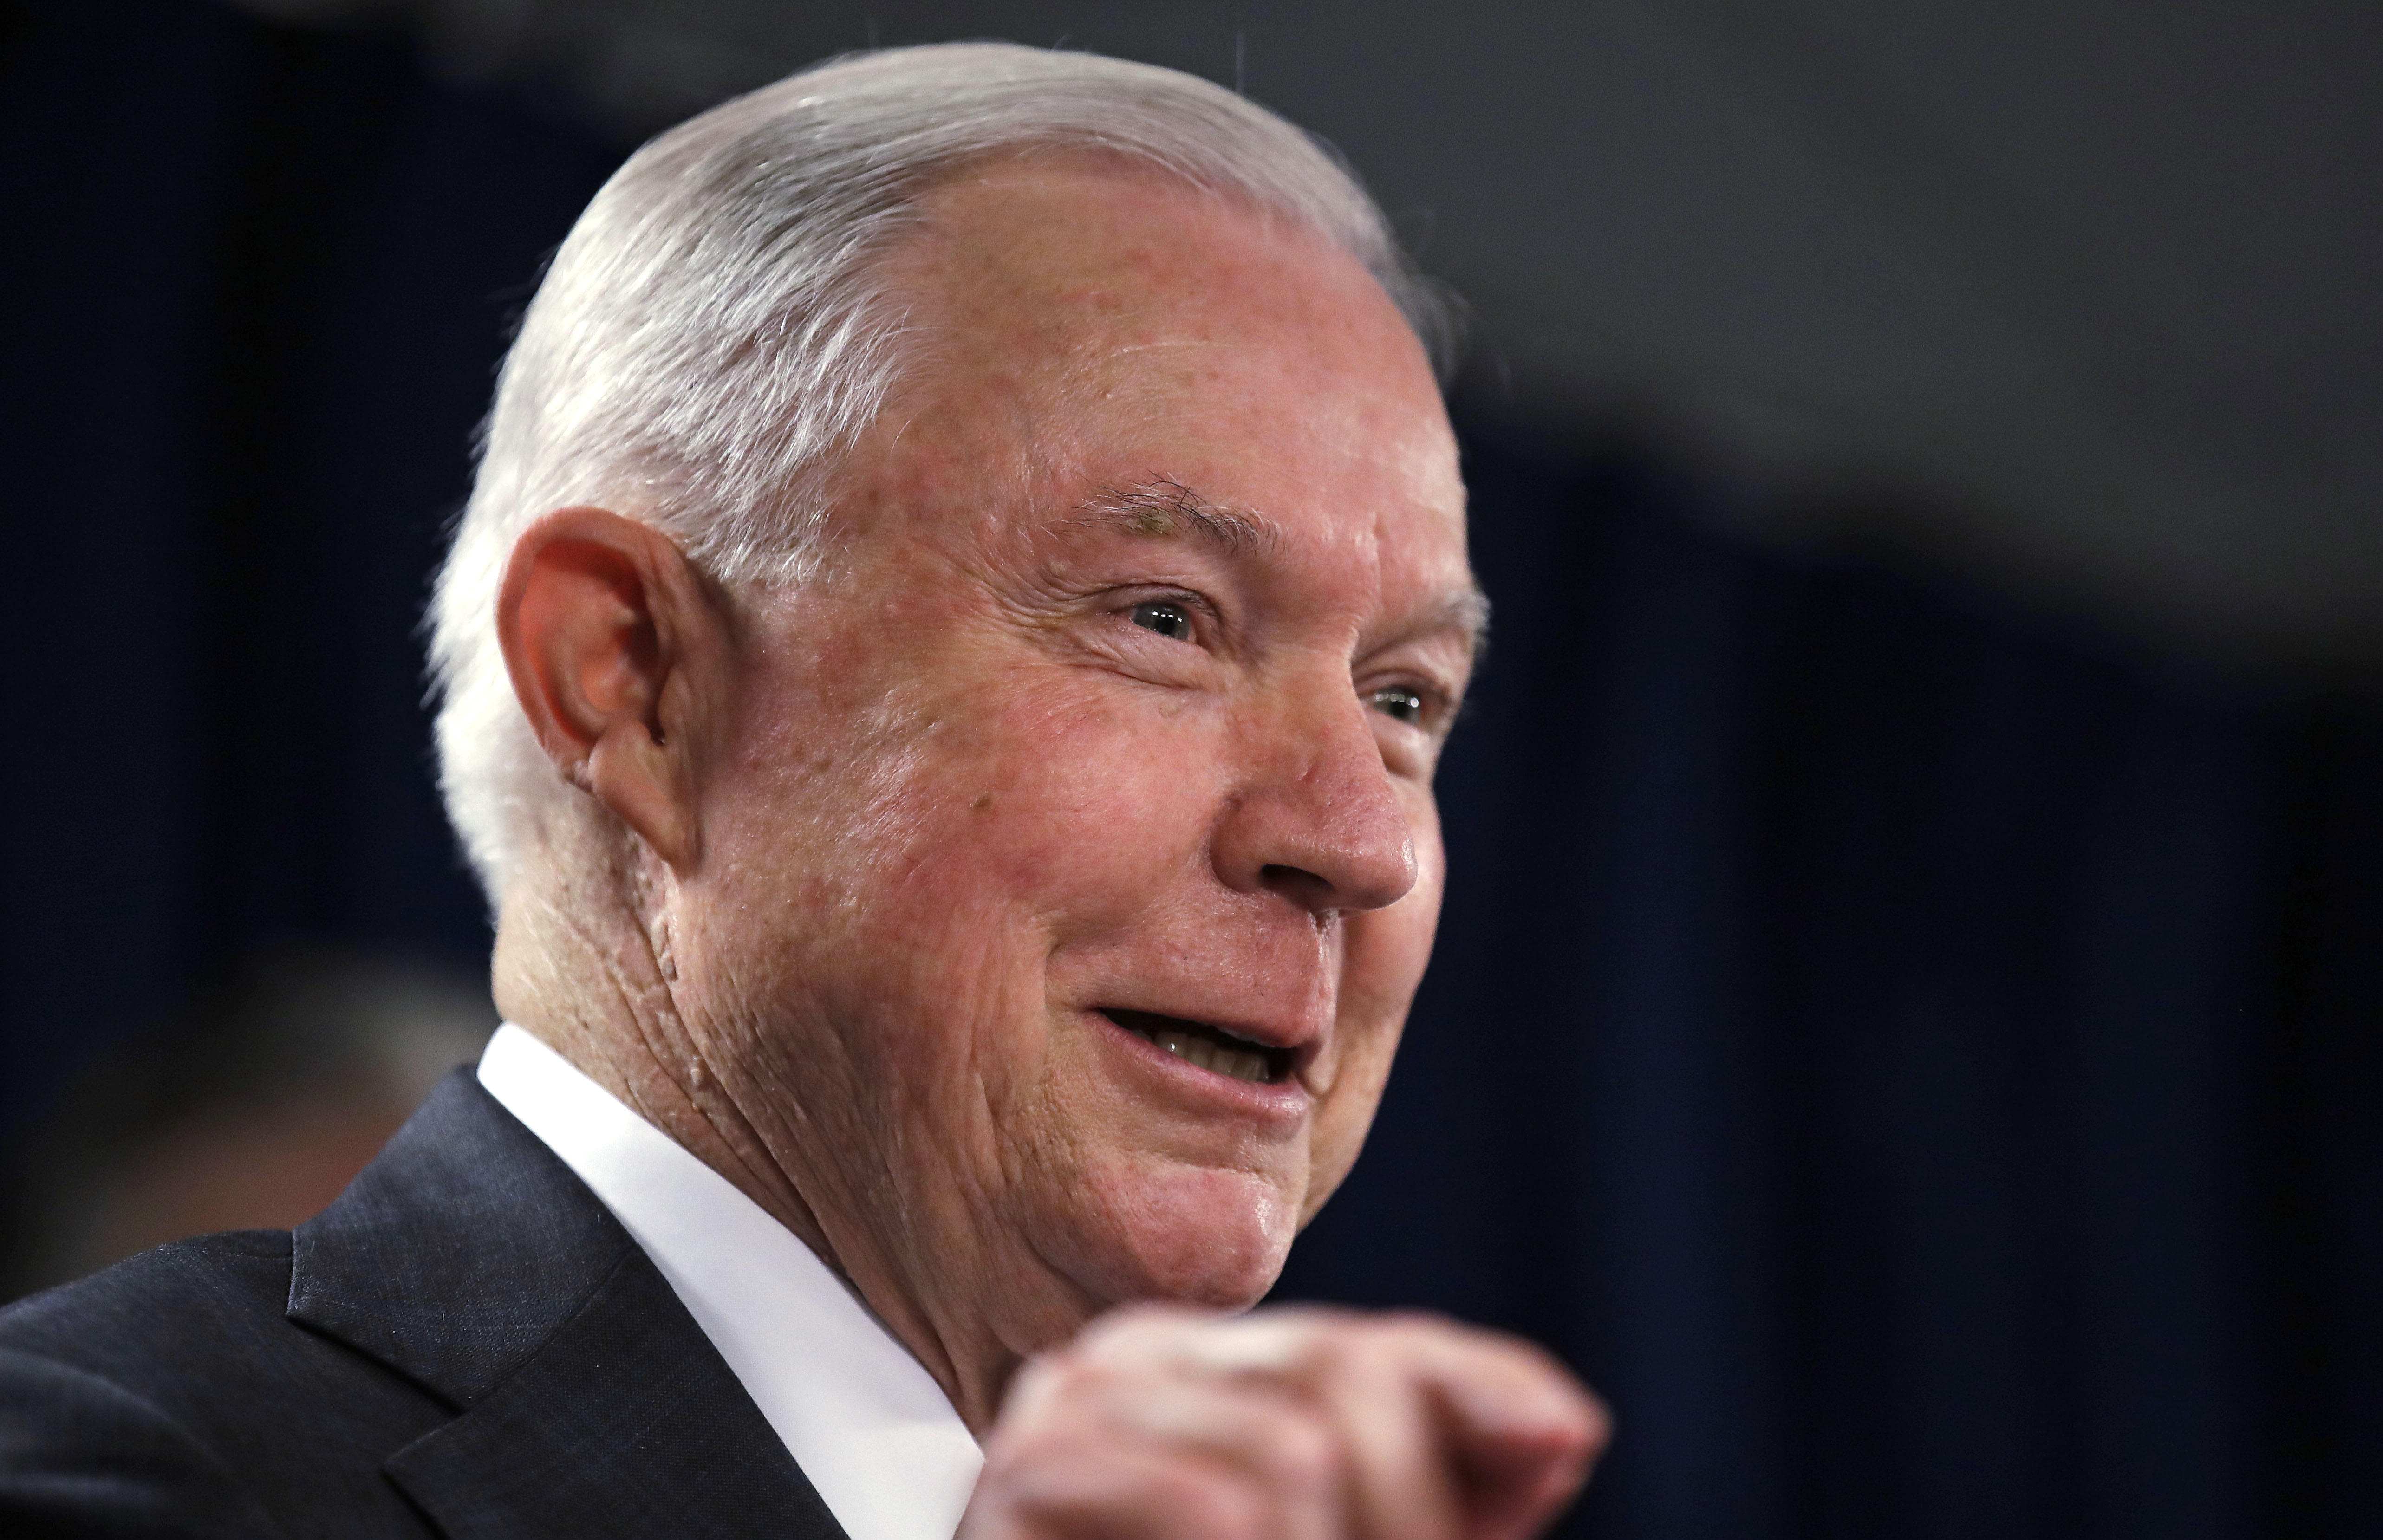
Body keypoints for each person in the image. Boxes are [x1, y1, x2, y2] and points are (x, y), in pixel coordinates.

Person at [0, 43, 1606, 1540]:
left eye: (1403, 700)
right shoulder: (120, 1470)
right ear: (633, 679)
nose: (1358, 841)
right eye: (1164, 620)